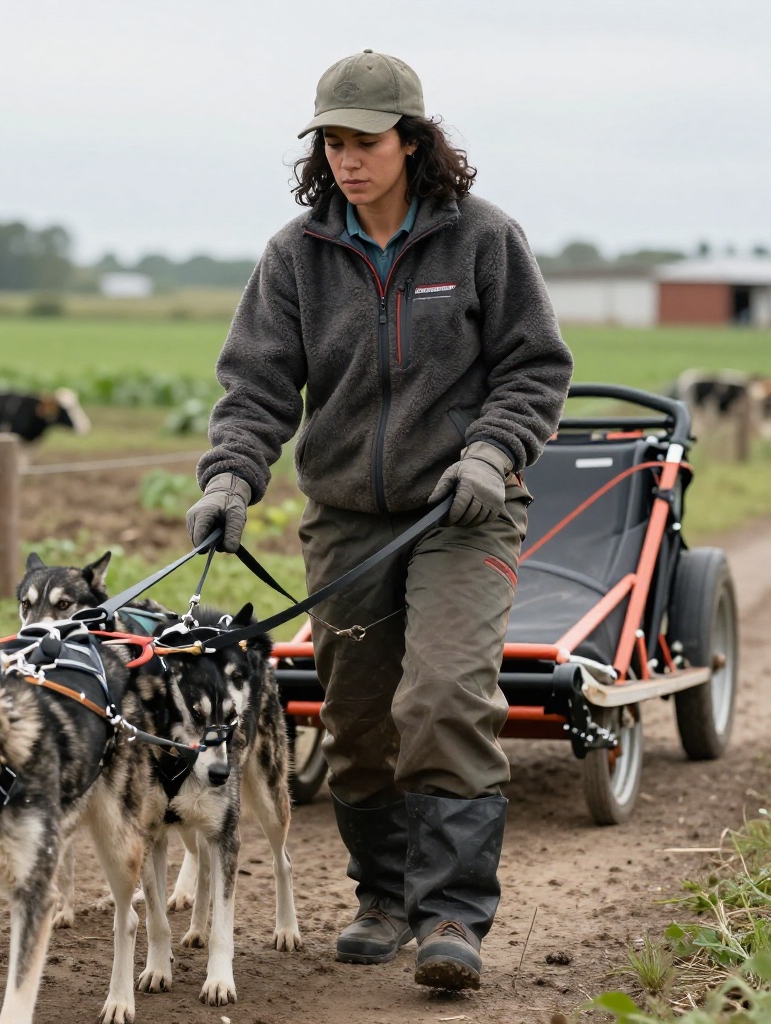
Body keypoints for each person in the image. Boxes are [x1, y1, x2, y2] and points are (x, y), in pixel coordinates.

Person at [186, 48, 573, 992]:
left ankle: (450, 915)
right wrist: (232, 479)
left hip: (464, 513)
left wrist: (491, 452)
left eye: (366, 140)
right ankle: (385, 897)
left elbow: (535, 366)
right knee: (357, 723)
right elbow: (256, 386)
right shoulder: (296, 255)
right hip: (349, 521)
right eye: (333, 141)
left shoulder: (483, 240)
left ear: (413, 142)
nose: (348, 158)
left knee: (442, 699)